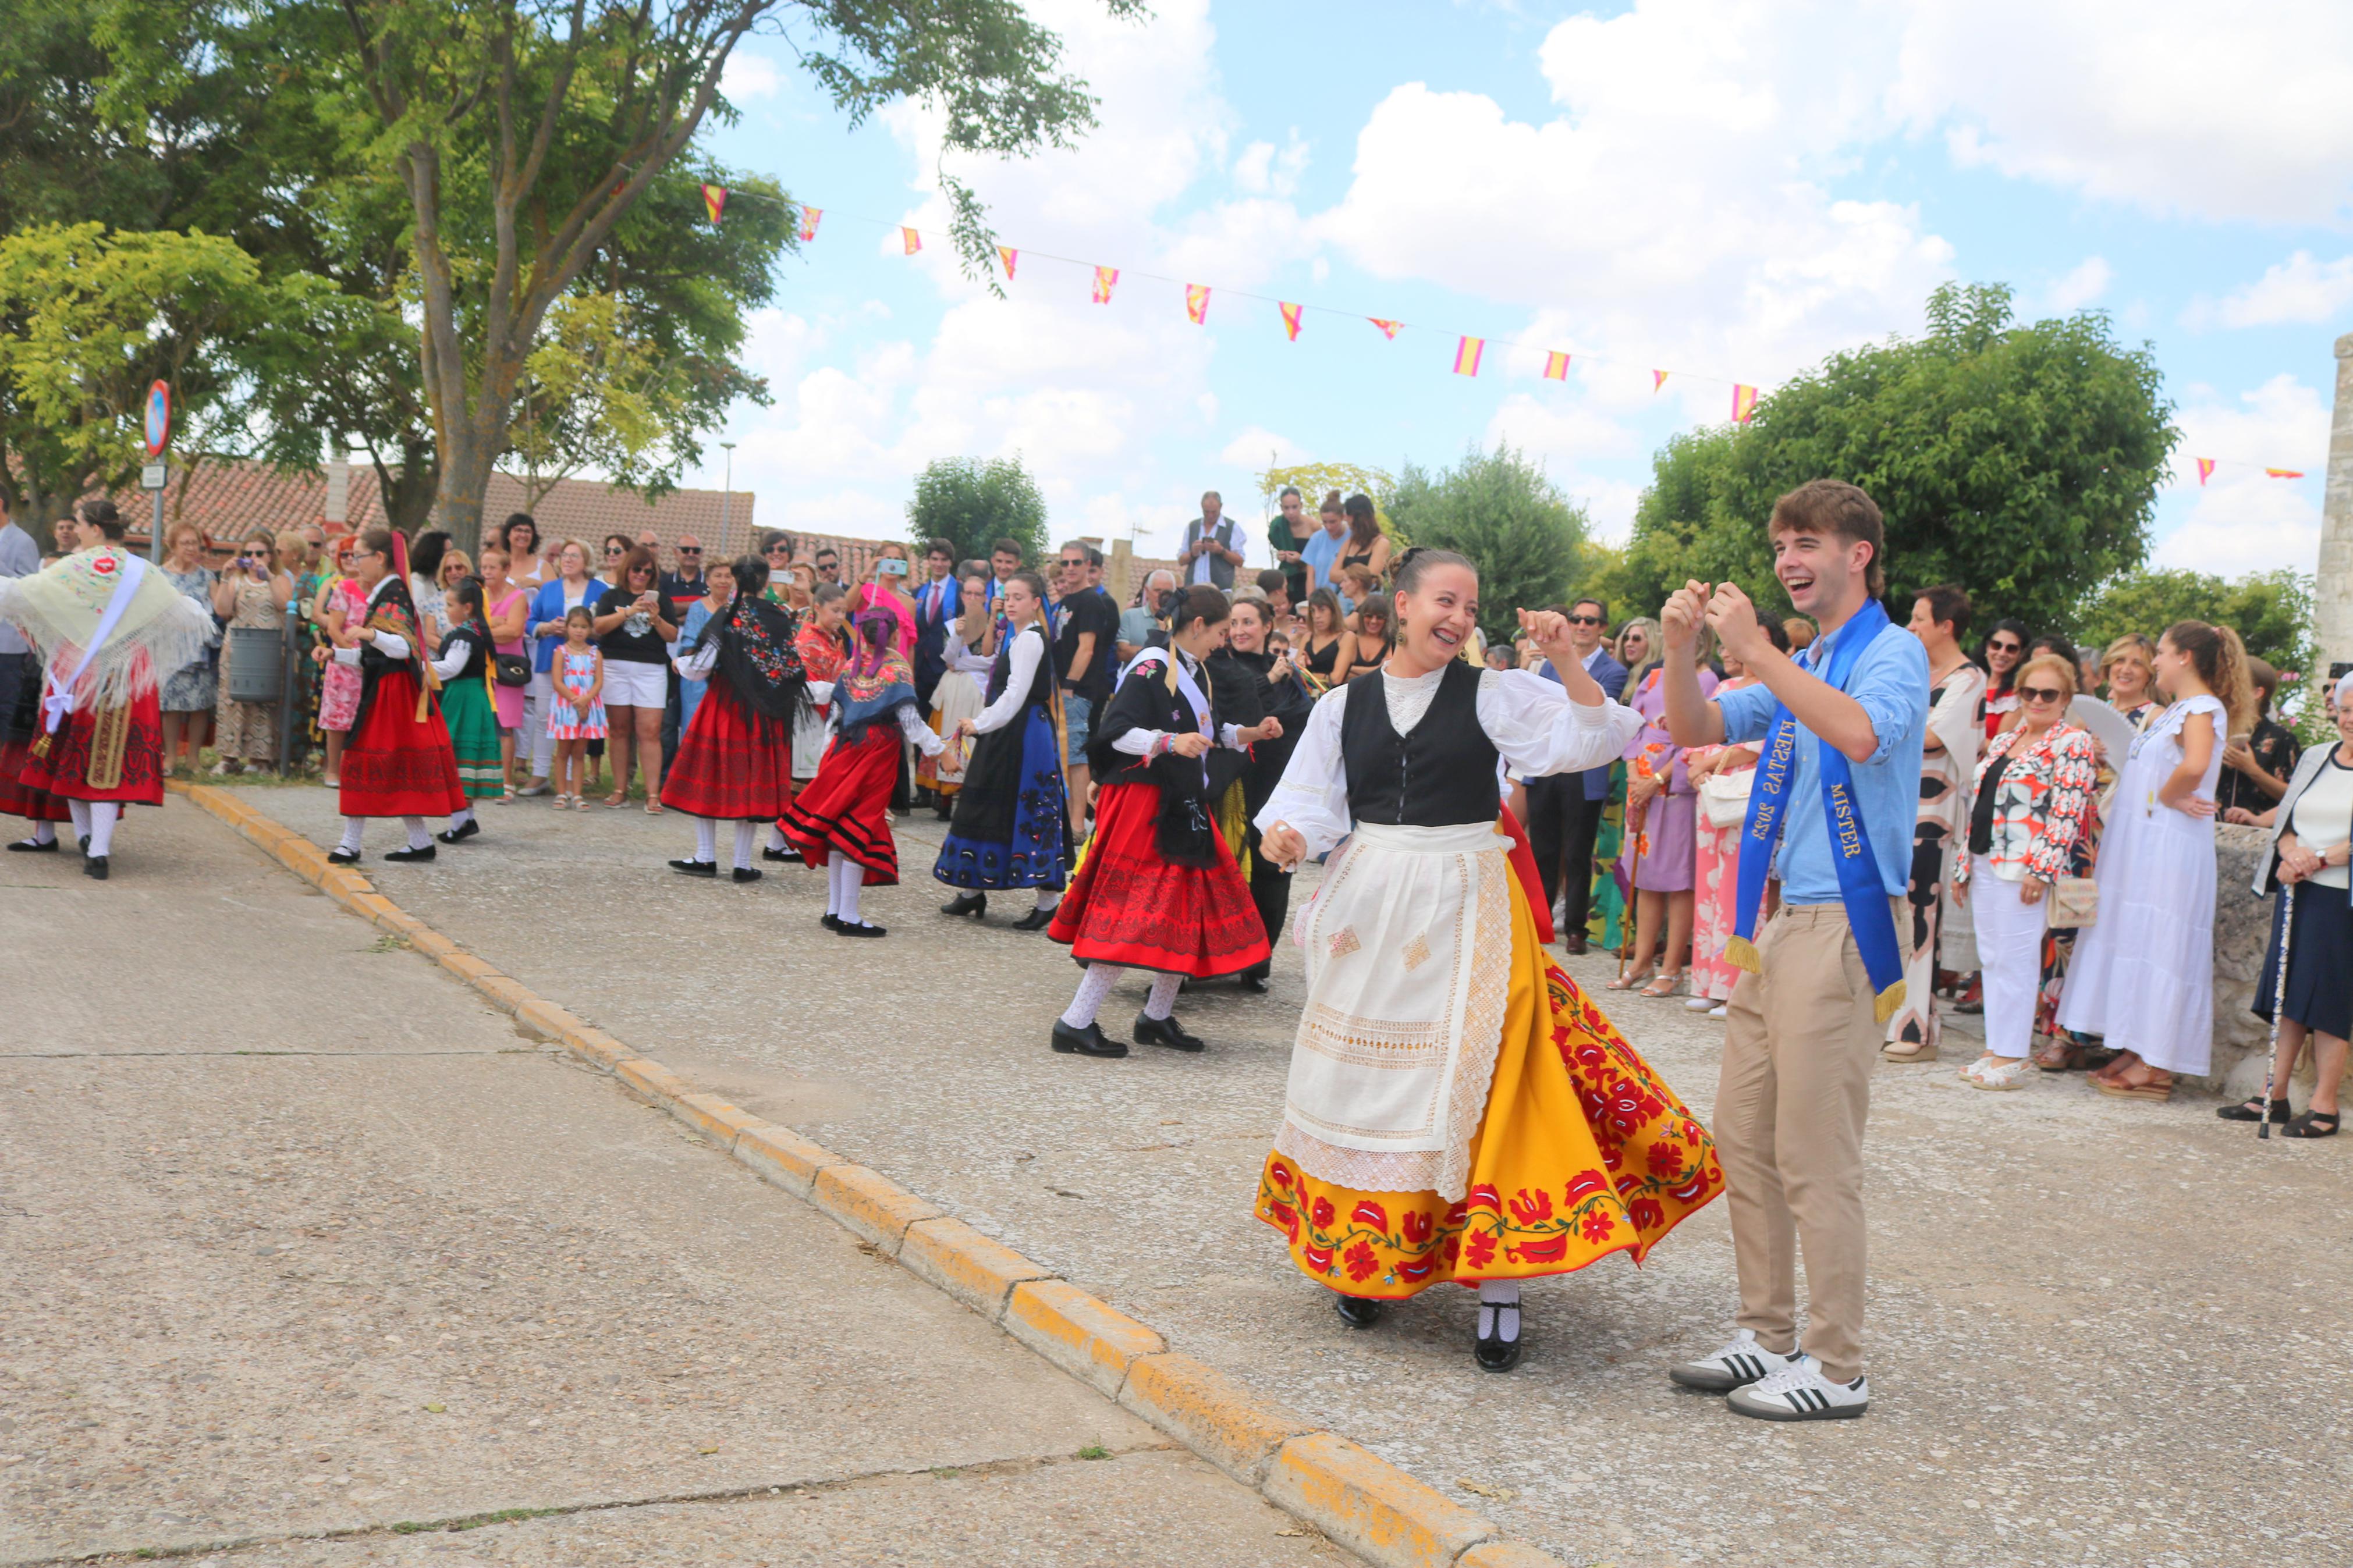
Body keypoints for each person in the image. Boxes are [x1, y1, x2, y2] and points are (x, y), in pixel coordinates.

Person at [1253, 553, 1716, 1370]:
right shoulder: (1340, 705)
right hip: (1370, 900)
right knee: (1364, 1079)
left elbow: (1598, 733)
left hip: (1466, 898)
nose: (1459, 617)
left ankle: (1499, 1281)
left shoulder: (1492, 692)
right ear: (1400, 605)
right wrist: (1284, 835)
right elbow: (1303, 800)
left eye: (1469, 605)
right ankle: (1370, 1254)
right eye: (1444, 600)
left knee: (1490, 1080)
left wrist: (1566, 655)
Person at [1658, 478, 1928, 1421]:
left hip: (1842, 925)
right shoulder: (1803, 661)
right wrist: (1681, 648)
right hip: (1775, 928)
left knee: (1816, 1152)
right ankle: (1766, 1336)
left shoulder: (1887, 655)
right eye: (1779, 544)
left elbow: (1857, 733)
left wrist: (1760, 652)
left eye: (1805, 542)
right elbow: (1692, 730)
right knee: (1744, 1135)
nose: (1785, 560)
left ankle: (1837, 1366)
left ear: (1858, 554)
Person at [1045, 586, 1283, 1056]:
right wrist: (1168, 743)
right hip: (1146, 804)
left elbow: (1208, 732)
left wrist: (1250, 733)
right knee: (1136, 911)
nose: (1224, 641)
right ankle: (1075, 1021)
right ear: (1198, 626)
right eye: (1219, 631)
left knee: (1185, 905)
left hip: (1179, 798)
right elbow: (1115, 732)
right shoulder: (1152, 666)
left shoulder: (1191, 669)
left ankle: (1156, 1015)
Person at [2061, 621, 2253, 1101]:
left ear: (2185, 657)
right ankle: (2135, 1046)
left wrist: (2168, 798)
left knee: (2162, 944)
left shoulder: (2202, 708)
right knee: (2136, 939)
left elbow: (2194, 765)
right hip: (2145, 845)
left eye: (2163, 653)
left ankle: (2157, 1062)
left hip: (2170, 846)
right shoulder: (2173, 711)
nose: (2156, 662)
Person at [0, 499, 210, 877]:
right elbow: (185, 615)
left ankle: (93, 843)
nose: (75, 530)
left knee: (73, 758)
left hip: (78, 673)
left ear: (95, 528)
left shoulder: (74, 567)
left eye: (79, 524)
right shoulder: (143, 571)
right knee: (105, 763)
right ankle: (94, 846)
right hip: (128, 675)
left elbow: (22, 595)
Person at [1951, 653, 2097, 1090]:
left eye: (2048, 693)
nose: (2037, 699)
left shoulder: (2072, 742)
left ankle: (2012, 1054)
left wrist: (2044, 868)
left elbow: (2068, 810)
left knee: (2015, 960)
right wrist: (1962, 864)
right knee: (1992, 958)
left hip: (2027, 867)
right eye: (2029, 691)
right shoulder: (2003, 740)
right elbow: (1979, 805)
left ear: (2065, 698)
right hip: (1984, 858)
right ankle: (1995, 1049)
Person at [2226, 670, 2353, 1137]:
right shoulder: (2317, 757)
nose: (2351, 719)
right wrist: (2289, 852)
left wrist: (2315, 859)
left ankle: (2324, 1105)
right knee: (2289, 996)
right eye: (2345, 709)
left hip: (2343, 898)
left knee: (2329, 998)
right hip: (2300, 889)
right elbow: (2288, 816)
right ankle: (2272, 1094)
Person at [778, 605, 946, 934]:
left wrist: (827, 758)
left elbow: (835, 717)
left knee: (837, 826)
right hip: (877, 752)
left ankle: (835, 909)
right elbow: (911, 723)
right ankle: (849, 916)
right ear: (895, 634)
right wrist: (940, 751)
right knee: (860, 827)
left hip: (843, 749)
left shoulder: (850, 667)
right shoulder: (897, 669)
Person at [1883, 584, 1988, 1062]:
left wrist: (1883, 721)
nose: (1910, 627)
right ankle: (1888, 1012)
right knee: (1893, 910)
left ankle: (1916, 1025)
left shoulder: (1968, 679)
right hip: (1896, 804)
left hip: (1933, 811)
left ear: (1945, 625)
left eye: (1919, 619)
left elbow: (1929, 737)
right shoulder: (1915, 673)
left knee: (1922, 913)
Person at [936, 571, 1072, 926]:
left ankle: (1047, 903)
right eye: (1007, 597)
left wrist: (978, 724)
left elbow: (1016, 694)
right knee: (985, 801)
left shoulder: (1030, 640)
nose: (1011, 603)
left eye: (1019, 597)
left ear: (1035, 603)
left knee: (1031, 812)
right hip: (1007, 729)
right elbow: (973, 667)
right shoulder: (1015, 637)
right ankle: (970, 891)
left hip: (1023, 733)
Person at [325, 528, 467, 864]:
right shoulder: (385, 592)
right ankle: (419, 842)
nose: (354, 562)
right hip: (386, 688)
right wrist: (337, 655)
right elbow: (375, 655)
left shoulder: (394, 593)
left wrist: (372, 633)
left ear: (380, 558)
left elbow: (406, 648)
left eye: (359, 556)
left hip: (395, 694)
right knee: (398, 765)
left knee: (362, 759)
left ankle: (351, 843)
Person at [663, 555, 805, 883]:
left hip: (725, 708)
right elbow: (791, 669)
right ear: (766, 581)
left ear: (737, 582)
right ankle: (742, 864)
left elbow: (701, 667)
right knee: (751, 786)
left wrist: (680, 665)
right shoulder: (781, 617)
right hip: (765, 715)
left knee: (708, 778)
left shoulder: (729, 616)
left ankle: (706, 857)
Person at [1204, 594, 1315, 991]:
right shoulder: (1215, 666)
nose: (1238, 631)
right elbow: (1227, 713)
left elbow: (1299, 719)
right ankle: (1200, 960)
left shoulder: (1288, 673)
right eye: (1232, 623)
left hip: (1272, 783)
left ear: (1268, 626)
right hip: (1227, 784)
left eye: (1247, 622)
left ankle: (1257, 961)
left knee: (1270, 872)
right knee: (1220, 869)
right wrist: (1266, 685)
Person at [1610, 620, 1717, 997]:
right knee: (1646, 876)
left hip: (1674, 789)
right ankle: (1641, 959)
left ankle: (1671, 967)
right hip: (1640, 784)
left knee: (1677, 879)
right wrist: (1633, 774)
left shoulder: (1706, 681)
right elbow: (1635, 726)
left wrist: (1657, 780)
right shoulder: (1653, 676)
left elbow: (1697, 737)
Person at [1681, 615, 1781, 1016]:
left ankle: (1738, 986)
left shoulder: (1777, 687)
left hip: (1750, 790)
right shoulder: (1724, 686)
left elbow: (1761, 744)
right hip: (1712, 791)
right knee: (1709, 885)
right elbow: (1701, 731)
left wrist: (1709, 762)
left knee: (1743, 887)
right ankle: (1707, 980)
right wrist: (1695, 763)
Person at [1524, 599, 1626, 954]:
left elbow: (1595, 715)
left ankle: (1576, 928)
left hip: (1584, 771)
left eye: (1590, 621)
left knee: (1578, 854)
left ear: (1602, 628)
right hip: (1550, 765)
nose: (1582, 625)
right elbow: (1542, 711)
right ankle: (1538, 921)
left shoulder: (1614, 671)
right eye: (1577, 619)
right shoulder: (1550, 663)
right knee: (1543, 849)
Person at [591, 546, 676, 812]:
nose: (641, 574)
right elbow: (599, 627)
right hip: (616, 665)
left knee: (650, 731)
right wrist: (628, 611)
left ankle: (653, 794)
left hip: (651, 669)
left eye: (647, 571)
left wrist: (656, 618)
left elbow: (672, 636)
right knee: (618, 730)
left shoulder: (662, 599)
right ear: (626, 569)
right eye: (637, 569)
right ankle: (619, 789)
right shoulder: (611, 596)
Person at [208, 532, 297, 775]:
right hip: (237, 647)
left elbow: (286, 604)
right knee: (233, 702)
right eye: (248, 554)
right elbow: (223, 611)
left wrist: (267, 577)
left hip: (268, 649)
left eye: (260, 553)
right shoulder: (236, 580)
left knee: (265, 703)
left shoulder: (280, 579)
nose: (254, 558)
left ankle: (261, 760)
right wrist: (226, 578)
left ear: (270, 556)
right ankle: (229, 758)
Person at [426, 577, 504, 841]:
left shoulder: (465, 636)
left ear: (467, 607)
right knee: (460, 758)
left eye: (450, 605)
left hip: (464, 699)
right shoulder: (473, 631)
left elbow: (451, 667)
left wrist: (421, 667)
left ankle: (461, 821)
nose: (446, 610)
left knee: (457, 756)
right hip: (469, 696)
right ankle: (464, 820)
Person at [520, 541, 601, 797]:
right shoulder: (549, 588)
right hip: (551, 659)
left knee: (577, 718)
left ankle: (569, 782)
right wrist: (545, 628)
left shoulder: (600, 590)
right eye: (565, 555)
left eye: (574, 556)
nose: (567, 559)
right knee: (546, 716)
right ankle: (540, 775)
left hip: (584, 666)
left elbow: (605, 625)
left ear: (586, 560)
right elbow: (530, 621)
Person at [1052, 540, 1117, 843]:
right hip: (1063, 690)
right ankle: (1068, 819)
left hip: (1078, 691)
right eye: (1065, 563)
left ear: (1088, 565)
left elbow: (1087, 649)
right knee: (1067, 757)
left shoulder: (1091, 600)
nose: (1070, 569)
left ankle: (1077, 826)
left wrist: (1068, 686)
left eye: (1076, 563)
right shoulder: (1067, 600)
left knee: (1077, 758)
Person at [921, 566, 994, 817]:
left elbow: (991, 660)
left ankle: (971, 800)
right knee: (948, 735)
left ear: (985, 596)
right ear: (962, 596)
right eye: (969, 593)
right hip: (952, 687)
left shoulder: (993, 625)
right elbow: (947, 658)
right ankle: (943, 802)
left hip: (978, 688)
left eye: (978, 594)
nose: (973, 598)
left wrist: (962, 663)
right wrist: (958, 638)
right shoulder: (953, 625)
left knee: (974, 740)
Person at [156, 524, 219, 776]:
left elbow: (219, 612)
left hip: (199, 650)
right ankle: (170, 758)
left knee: (199, 704)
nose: (192, 548)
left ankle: (193, 758)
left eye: (195, 543)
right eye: (186, 543)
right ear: (172, 546)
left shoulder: (207, 577)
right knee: (170, 704)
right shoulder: (159, 576)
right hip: (170, 649)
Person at [311, 538, 370, 788]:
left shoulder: (383, 590)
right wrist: (352, 654)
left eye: (357, 555)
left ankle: (357, 768)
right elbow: (334, 628)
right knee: (339, 718)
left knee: (366, 716)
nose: (352, 560)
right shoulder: (344, 587)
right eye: (347, 555)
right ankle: (333, 770)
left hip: (374, 661)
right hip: (345, 661)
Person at [2216, 658, 2299, 817]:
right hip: (2210, 830)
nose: (2226, 688)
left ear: (2257, 693)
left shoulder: (2282, 738)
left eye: (2236, 682)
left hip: (2257, 835)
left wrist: (2252, 770)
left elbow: (2296, 798)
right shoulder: (2215, 730)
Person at [543, 607, 607, 810]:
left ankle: (578, 794)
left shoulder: (595, 653)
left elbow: (598, 681)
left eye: (583, 627)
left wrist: (586, 700)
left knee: (580, 752)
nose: (579, 631)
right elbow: (557, 681)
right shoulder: (561, 652)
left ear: (590, 629)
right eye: (574, 626)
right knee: (563, 751)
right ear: (567, 627)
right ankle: (562, 793)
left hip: (588, 706)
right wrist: (575, 700)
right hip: (567, 706)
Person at [478, 546, 530, 795]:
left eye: (492, 567)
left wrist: (484, 630)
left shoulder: (518, 597)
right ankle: (484, 777)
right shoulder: (479, 595)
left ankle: (507, 781)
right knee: (482, 722)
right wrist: (493, 625)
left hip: (508, 669)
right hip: (481, 666)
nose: (487, 572)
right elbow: (468, 627)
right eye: (484, 567)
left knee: (505, 723)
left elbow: (514, 630)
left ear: (506, 569)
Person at [674, 560, 733, 734]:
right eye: (718, 576)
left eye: (728, 576)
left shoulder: (738, 609)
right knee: (695, 730)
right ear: (708, 581)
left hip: (728, 681)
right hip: (698, 678)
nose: (723, 581)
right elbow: (689, 646)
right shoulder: (697, 608)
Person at [910, 536, 959, 714]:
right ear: (928, 561)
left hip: (946, 668)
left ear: (950, 562)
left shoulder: (960, 593)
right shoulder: (917, 593)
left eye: (944, 560)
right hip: (921, 668)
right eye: (935, 559)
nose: (939, 564)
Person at [1178, 491, 1245, 591]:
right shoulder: (1192, 527)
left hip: (1220, 591)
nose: (1210, 516)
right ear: (1201, 507)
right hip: (1193, 589)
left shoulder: (1232, 527)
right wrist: (1193, 553)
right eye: (1206, 512)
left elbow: (1240, 561)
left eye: (1214, 512)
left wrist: (1221, 551)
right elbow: (1181, 561)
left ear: (1221, 507)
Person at [1978, 618, 2028, 739]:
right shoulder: (1971, 680)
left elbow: (1999, 747)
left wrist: (1956, 736)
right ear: (1987, 647)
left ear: (2021, 655)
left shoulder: (2017, 696)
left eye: (2011, 649)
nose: (2002, 653)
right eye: (1996, 645)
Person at [2100, 633, 2160, 727]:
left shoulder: (2156, 718)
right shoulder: (2096, 711)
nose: (2125, 670)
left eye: (2137, 663)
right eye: (2120, 660)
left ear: (2149, 673)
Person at [1300, 589, 1354, 691]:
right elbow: (1297, 672)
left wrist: (1306, 674)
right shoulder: (1307, 637)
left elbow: (1336, 678)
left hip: (1333, 697)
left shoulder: (1346, 637)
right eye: (1313, 611)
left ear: (1333, 611)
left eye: (1322, 610)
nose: (1317, 616)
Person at [1270, 487, 1316, 605]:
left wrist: (1301, 559)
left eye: (1294, 507)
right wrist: (1281, 555)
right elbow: (1278, 544)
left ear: (1301, 505)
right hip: (1288, 581)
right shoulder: (1278, 526)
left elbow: (1322, 558)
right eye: (1287, 508)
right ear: (1282, 508)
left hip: (1309, 580)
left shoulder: (1313, 526)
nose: (1291, 512)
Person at [1118, 570, 1177, 662]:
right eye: (1157, 591)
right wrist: (1161, 652)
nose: (1161, 596)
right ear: (1147, 591)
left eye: (1166, 593)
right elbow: (1122, 653)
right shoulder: (1131, 616)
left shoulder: (1180, 620)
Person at [1335, 492, 1391, 585]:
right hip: (1344, 595)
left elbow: (1371, 576)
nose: (1345, 519)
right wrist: (1359, 574)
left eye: (1347, 515)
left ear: (1355, 517)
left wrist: (1345, 574)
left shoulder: (1381, 543)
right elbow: (1333, 575)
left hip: (1369, 597)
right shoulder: (1349, 543)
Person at [1614, 618, 1658, 698]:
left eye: (1637, 638)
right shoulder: (1620, 675)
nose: (1629, 644)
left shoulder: (1656, 678)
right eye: (1626, 638)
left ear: (1653, 643)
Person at [1349, 595, 1393, 669]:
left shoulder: (1391, 643)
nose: (1374, 621)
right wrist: (1377, 669)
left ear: (1386, 620)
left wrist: (1350, 669)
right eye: (1369, 616)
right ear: (1362, 617)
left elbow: (1386, 671)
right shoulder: (1350, 638)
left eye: (1380, 617)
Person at [499, 514, 544, 586]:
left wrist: (537, 584)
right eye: (518, 530)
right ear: (508, 534)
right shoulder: (498, 562)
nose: (523, 535)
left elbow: (557, 592)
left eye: (527, 531)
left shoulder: (542, 566)